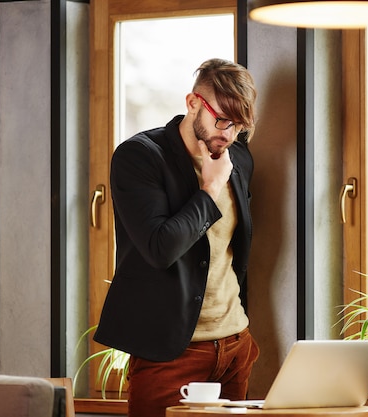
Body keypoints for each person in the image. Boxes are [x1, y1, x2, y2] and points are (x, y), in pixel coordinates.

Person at [93, 58, 260, 417]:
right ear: (192, 103)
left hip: (235, 345)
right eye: (222, 120)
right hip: (169, 353)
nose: (229, 135)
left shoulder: (239, 157)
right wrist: (211, 186)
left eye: (239, 125)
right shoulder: (140, 157)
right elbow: (160, 248)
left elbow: (233, 247)